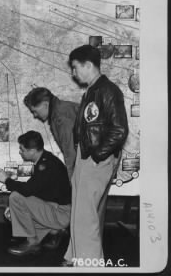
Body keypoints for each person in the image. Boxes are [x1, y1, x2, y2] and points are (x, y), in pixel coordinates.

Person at [63, 45, 128, 266]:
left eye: (75, 68)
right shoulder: (93, 91)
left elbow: (119, 130)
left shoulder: (108, 91)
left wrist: (97, 155)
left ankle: (90, 265)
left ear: (88, 65)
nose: (73, 73)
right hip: (86, 155)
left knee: (86, 214)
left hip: (95, 157)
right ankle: (74, 256)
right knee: (79, 210)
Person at [0, 131, 71, 256]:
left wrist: (6, 180)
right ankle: (54, 231)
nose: (20, 152)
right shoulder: (46, 160)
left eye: (22, 149)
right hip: (59, 210)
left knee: (15, 198)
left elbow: (27, 190)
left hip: (61, 214)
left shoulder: (45, 166)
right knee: (16, 207)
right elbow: (36, 190)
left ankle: (32, 243)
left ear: (32, 151)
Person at [24, 87, 79, 180]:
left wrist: (72, 181)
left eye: (35, 111)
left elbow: (70, 152)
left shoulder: (60, 118)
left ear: (45, 105)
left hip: (93, 165)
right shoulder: (61, 110)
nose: (35, 115)